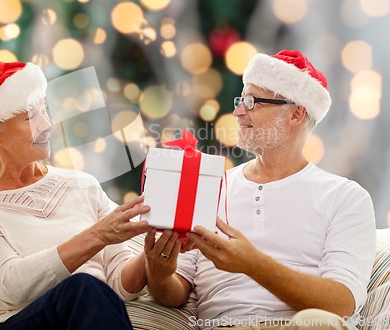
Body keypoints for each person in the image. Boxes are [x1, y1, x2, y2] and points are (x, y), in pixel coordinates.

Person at [144, 50, 376, 330]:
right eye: (240, 100)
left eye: (252, 101)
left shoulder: (345, 197)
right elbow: (175, 291)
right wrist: (159, 276)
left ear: (296, 114)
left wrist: (252, 264)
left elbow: (342, 304)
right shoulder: (211, 185)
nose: (238, 112)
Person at [0, 61, 150, 330]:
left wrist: (152, 253)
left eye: (45, 110)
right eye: (29, 117)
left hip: (85, 317)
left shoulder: (82, 185)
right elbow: (12, 284)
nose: (47, 125)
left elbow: (121, 285)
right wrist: (98, 235)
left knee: (87, 292)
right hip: (15, 324)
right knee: (83, 288)